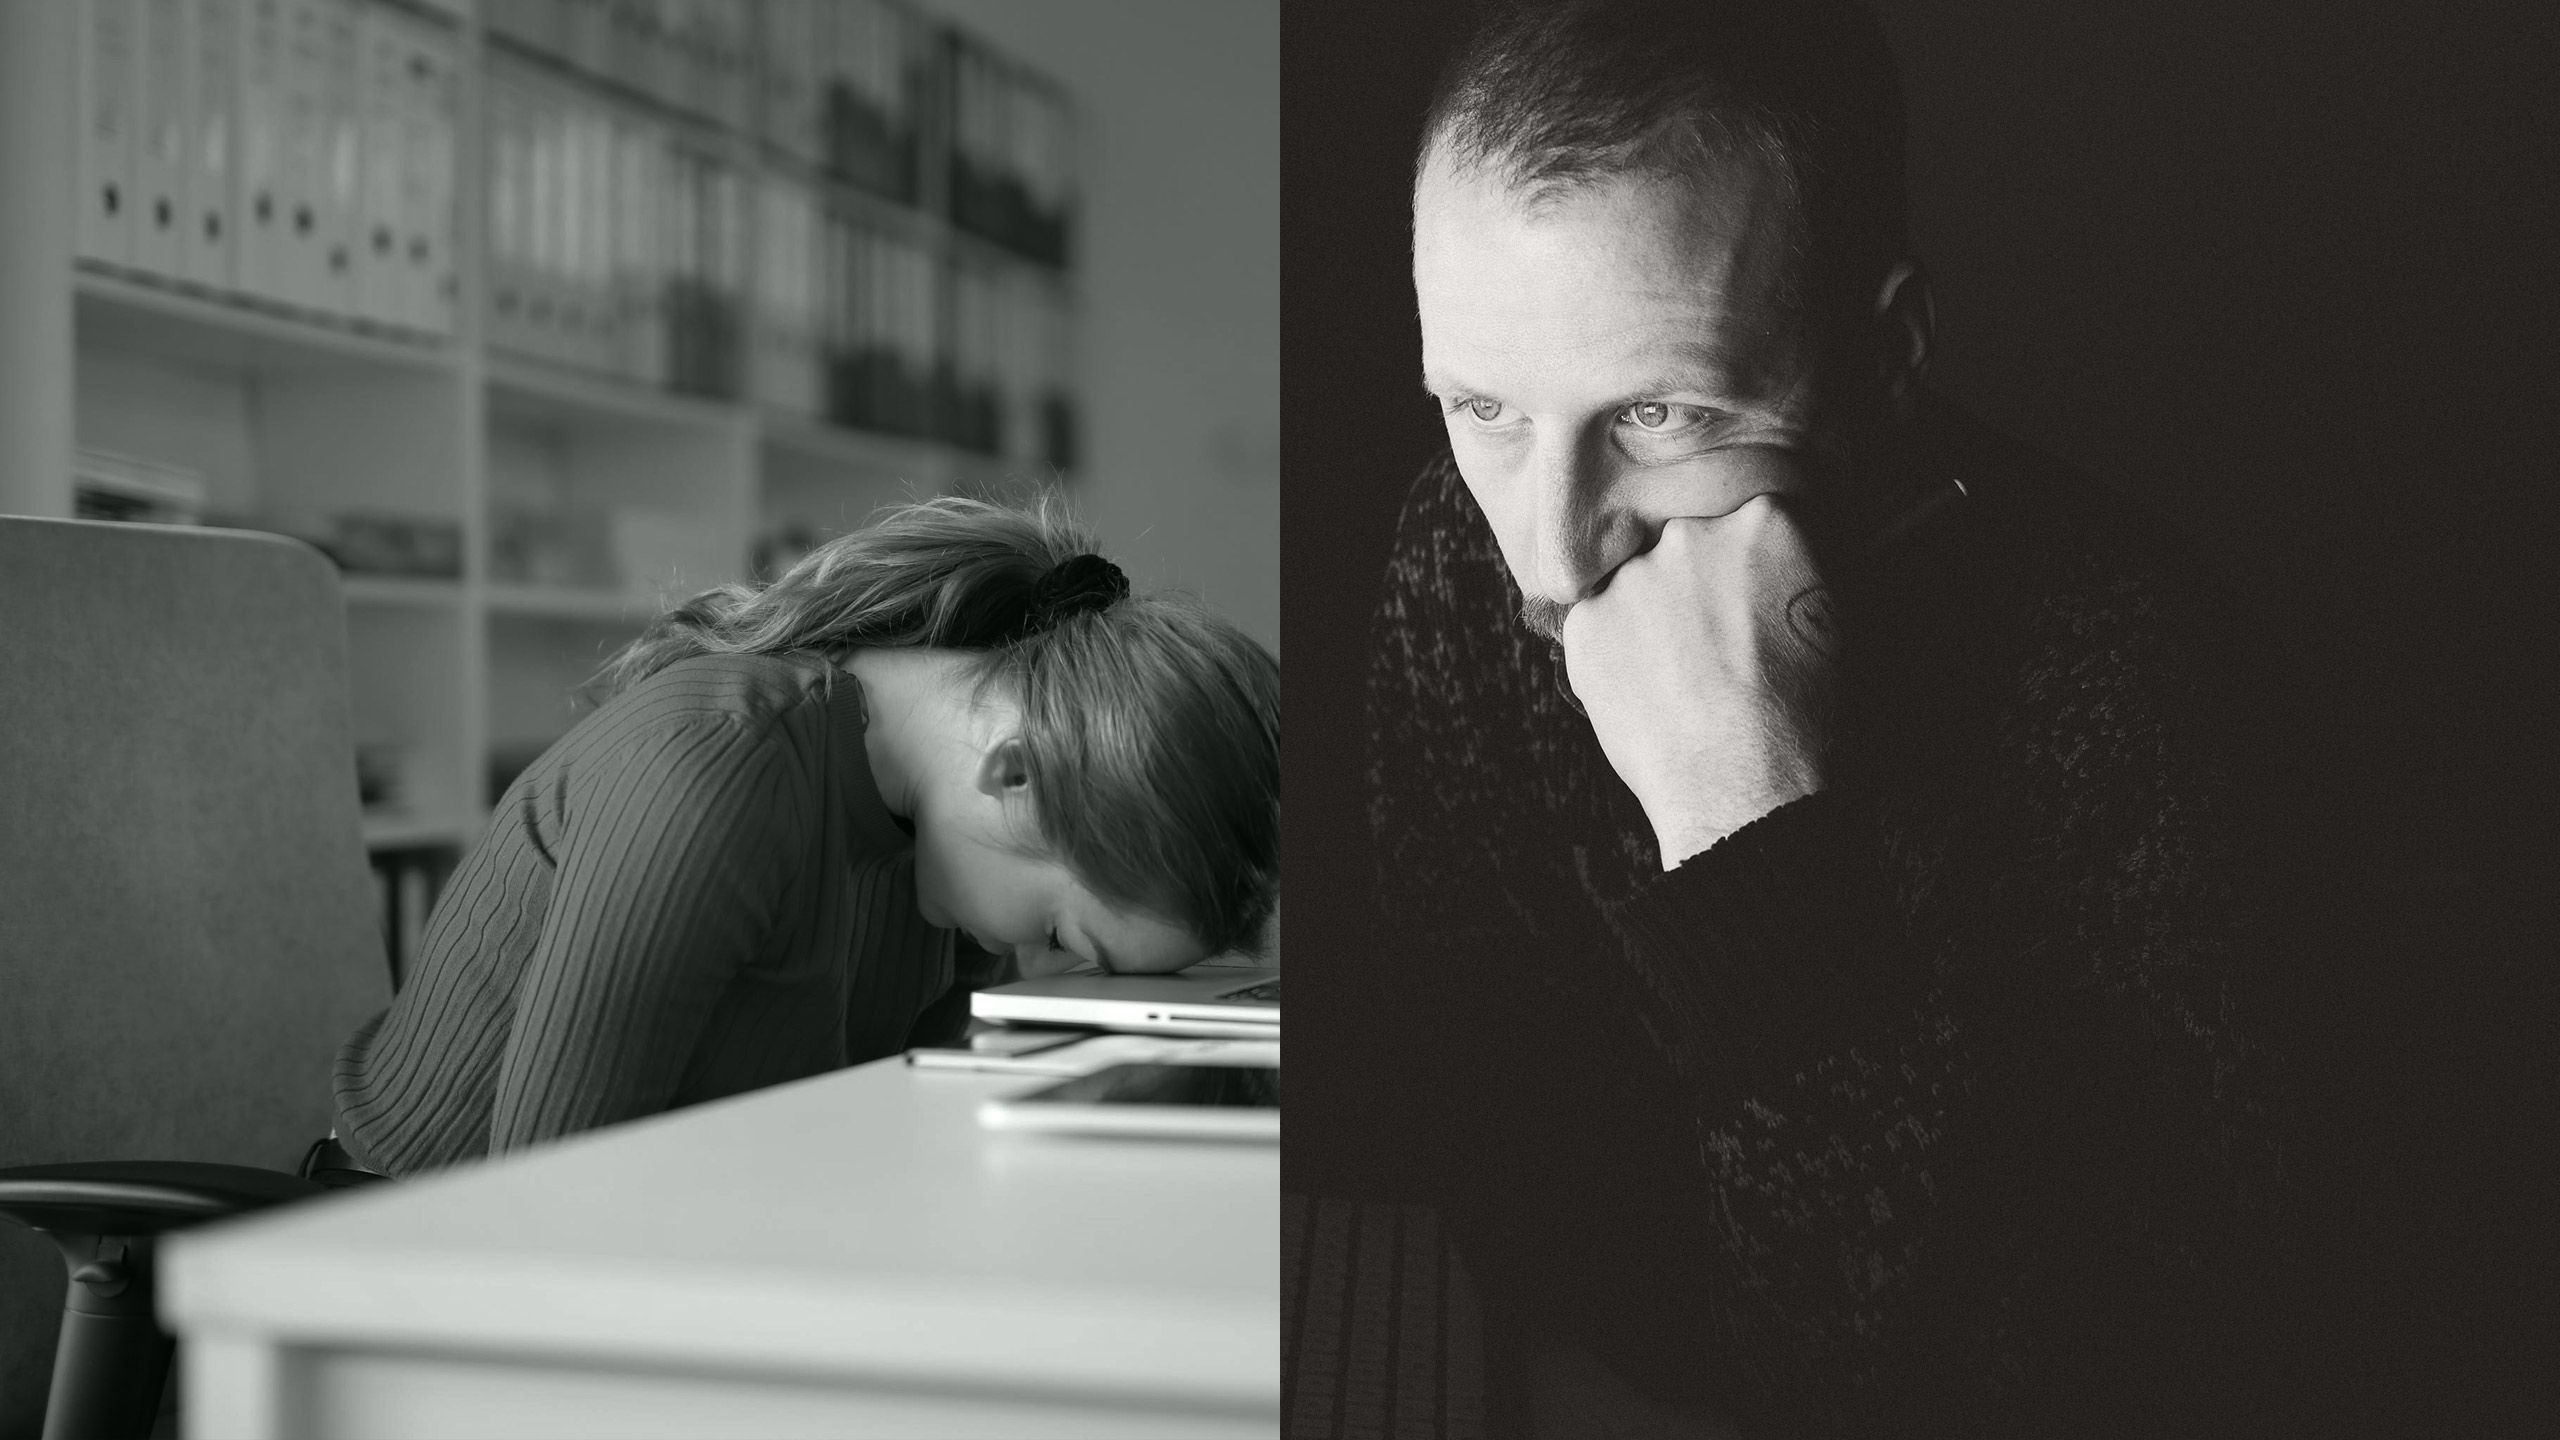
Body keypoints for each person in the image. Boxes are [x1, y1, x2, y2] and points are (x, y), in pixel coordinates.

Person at [1356, 0, 2297, 1433]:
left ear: (1883, 355)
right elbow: (1484, 1139)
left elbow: (2052, 1372)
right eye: (1481, 407)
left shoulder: (2141, 680)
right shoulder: (1450, 550)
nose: (1548, 558)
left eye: (1661, 416)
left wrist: (1754, 845)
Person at [325, 493, 1280, 1178]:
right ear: (1017, 773)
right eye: (1069, 941)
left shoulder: (937, 836)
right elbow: (549, 1200)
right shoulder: (714, 765)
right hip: (407, 1255)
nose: (1036, 969)